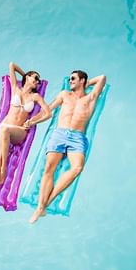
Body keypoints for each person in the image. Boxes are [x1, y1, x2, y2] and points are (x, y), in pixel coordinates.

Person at [28, 70, 106, 224]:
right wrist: (32, 121)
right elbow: (48, 110)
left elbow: (102, 78)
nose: (70, 81)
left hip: (77, 137)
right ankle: (39, 208)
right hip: (60, 134)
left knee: (77, 168)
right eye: (70, 79)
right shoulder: (64, 94)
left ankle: (46, 203)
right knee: (49, 167)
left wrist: (88, 83)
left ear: (82, 80)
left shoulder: (91, 98)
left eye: (73, 79)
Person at [0, 62, 51, 215]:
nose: (36, 81)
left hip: (19, 132)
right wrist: (24, 75)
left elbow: (48, 113)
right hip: (5, 130)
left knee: (4, 128)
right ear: (27, 77)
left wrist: (32, 121)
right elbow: (12, 65)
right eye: (34, 78)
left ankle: (4, 169)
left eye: (38, 81)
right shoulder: (15, 88)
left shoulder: (35, 96)